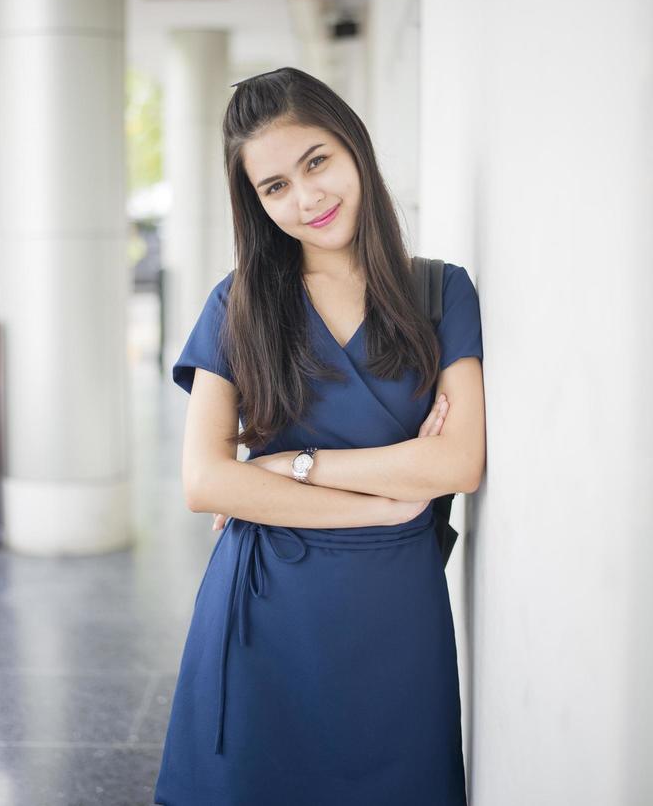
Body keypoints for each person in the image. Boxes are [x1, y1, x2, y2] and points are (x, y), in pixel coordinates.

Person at [154, 67, 486, 806]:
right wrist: (381, 500)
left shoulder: (440, 293)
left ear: (353, 148)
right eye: (274, 188)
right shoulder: (238, 304)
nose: (307, 199)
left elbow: (459, 463)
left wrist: (289, 467)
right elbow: (205, 482)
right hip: (265, 612)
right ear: (257, 203)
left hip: (395, 617)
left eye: (316, 162)